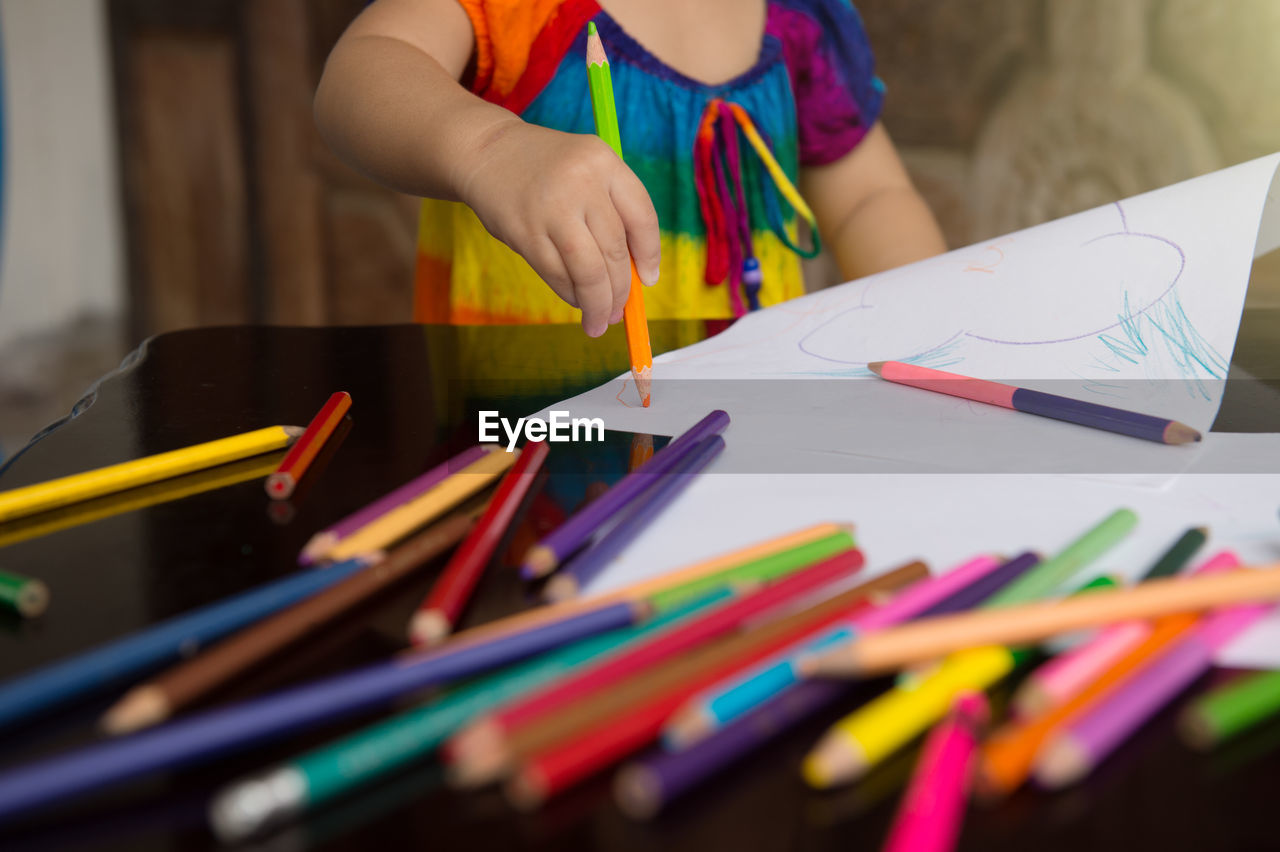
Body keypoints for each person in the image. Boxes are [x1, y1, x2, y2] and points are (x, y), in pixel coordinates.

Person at [315, 0, 946, 339]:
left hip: (744, 437)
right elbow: (362, 71)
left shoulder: (800, 16)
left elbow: (870, 197)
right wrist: (490, 149)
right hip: (527, 442)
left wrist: (932, 325)